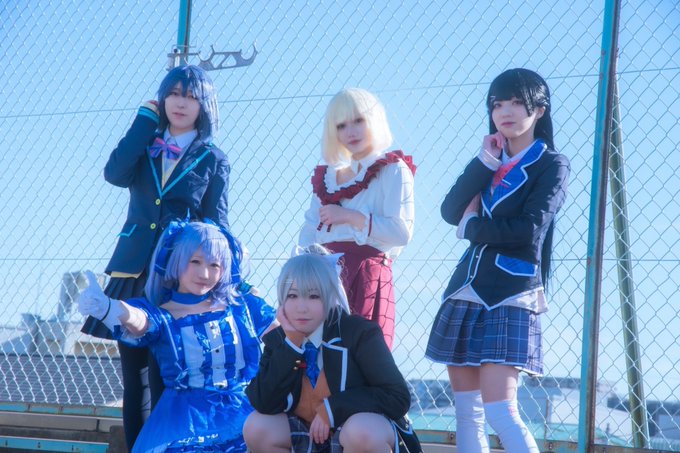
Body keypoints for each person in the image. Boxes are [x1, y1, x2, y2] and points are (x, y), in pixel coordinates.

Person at [80, 64, 229, 449]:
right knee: (136, 379)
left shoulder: (213, 158)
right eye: (174, 93)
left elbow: (217, 224)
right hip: (132, 272)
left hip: (178, 278)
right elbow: (114, 173)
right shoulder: (145, 143)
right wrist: (145, 120)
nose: (181, 102)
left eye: (192, 96)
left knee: (168, 374)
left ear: (205, 106)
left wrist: (228, 279)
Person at [425, 68, 570, 453]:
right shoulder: (488, 159)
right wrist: (484, 162)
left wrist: (472, 227)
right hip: (466, 289)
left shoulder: (551, 163)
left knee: (501, 411)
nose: (505, 111)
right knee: (467, 413)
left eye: (517, 103)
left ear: (539, 110)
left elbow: (528, 229)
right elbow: (450, 210)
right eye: (497, 104)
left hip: (511, 292)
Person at [79, 220, 276, 452]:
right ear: (177, 260)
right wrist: (109, 308)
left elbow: (284, 337)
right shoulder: (162, 313)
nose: (205, 273)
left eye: (215, 264)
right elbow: (139, 320)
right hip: (183, 421)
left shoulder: (242, 305)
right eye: (195, 261)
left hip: (241, 411)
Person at [243, 245, 422, 453]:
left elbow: (397, 396)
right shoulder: (279, 340)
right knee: (257, 427)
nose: (301, 307)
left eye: (313, 296)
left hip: (352, 435)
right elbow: (263, 402)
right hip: (309, 434)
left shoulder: (358, 332)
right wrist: (292, 346)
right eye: (292, 296)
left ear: (330, 296)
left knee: (361, 432)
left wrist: (332, 409)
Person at [298, 88, 416, 350]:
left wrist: (350, 217)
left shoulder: (393, 169)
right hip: (323, 278)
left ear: (375, 120)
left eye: (358, 121)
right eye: (341, 125)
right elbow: (309, 230)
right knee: (317, 356)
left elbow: (401, 232)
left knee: (361, 356)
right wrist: (302, 273)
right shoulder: (327, 178)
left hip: (367, 276)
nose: (350, 131)